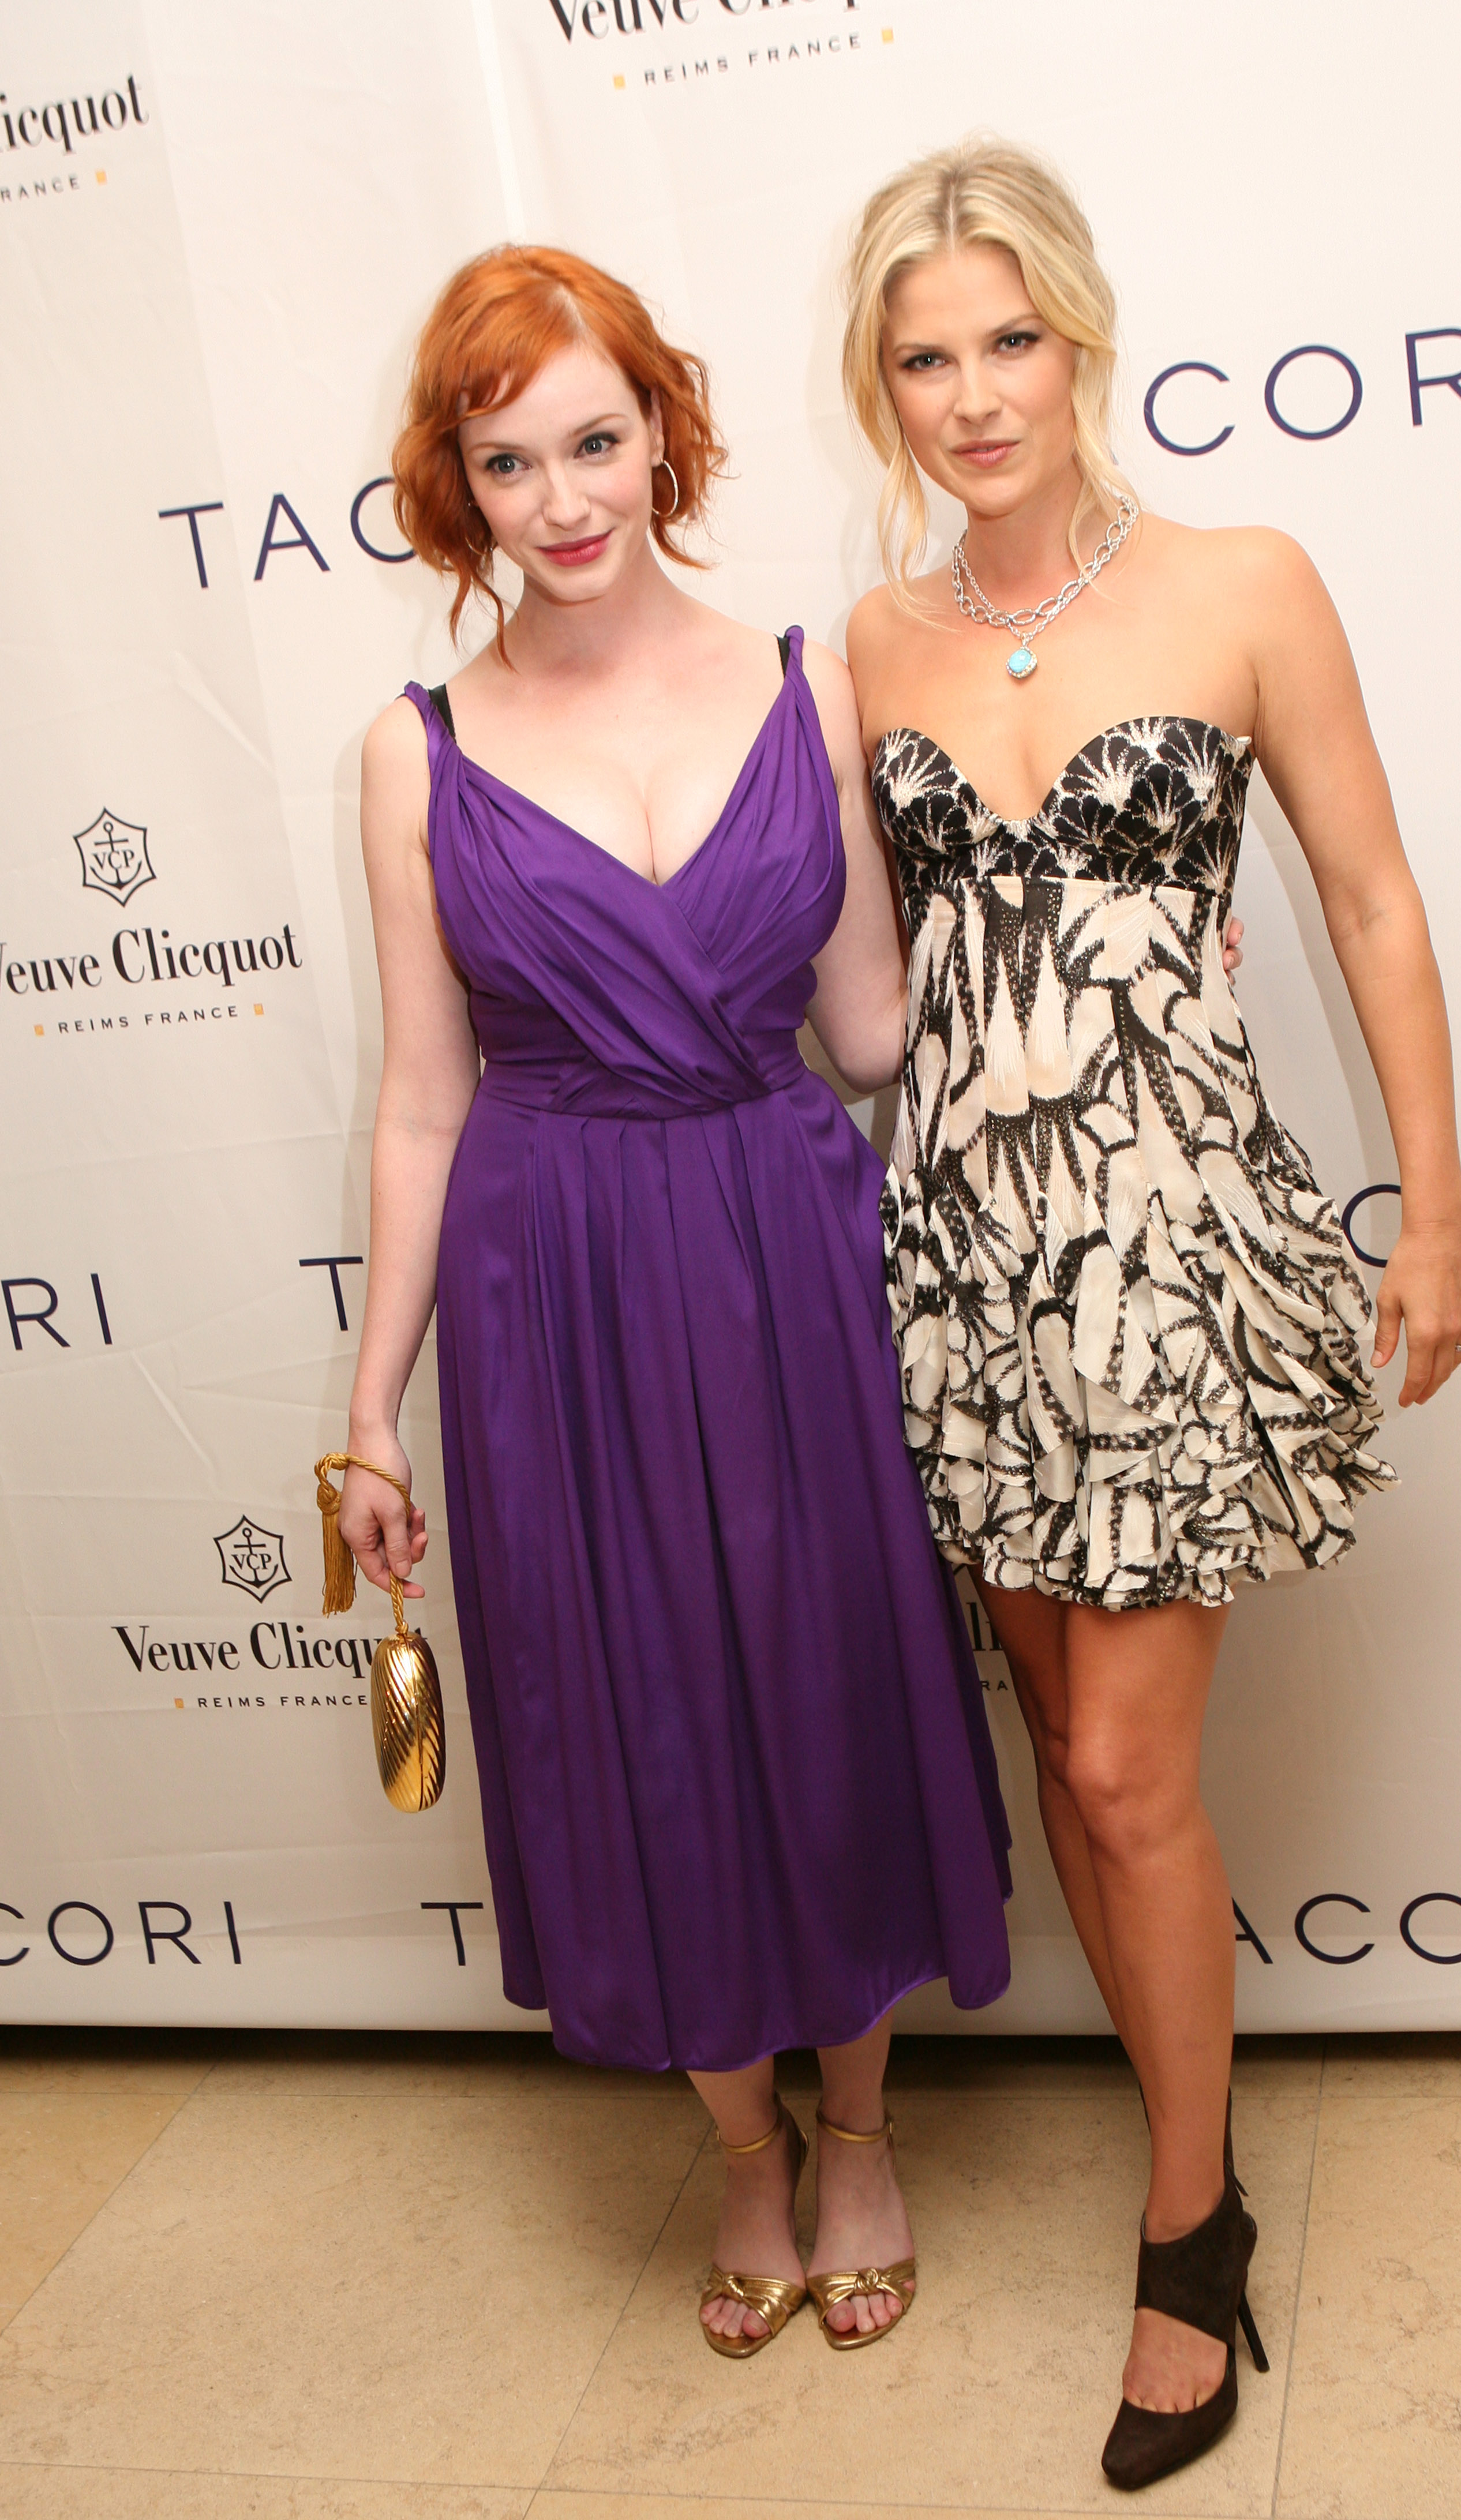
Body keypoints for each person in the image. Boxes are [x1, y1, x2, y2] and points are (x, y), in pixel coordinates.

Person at [841, 139, 1461, 2488]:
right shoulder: (869, 646)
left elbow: (1370, 901)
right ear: (882, 389)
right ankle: (1180, 2148)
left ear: (1082, 337)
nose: (974, 394)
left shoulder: (1240, 583)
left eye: (1009, 339)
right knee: (1060, 1748)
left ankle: (1188, 2232)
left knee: (1127, 1772)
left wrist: (1431, 1208)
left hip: (1174, 1251)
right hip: (969, 1258)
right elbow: (856, 989)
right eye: (926, 357)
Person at [338, 243, 1013, 2358]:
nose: (562, 500)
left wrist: (1091, 946)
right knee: (640, 1707)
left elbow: (875, 1025)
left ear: (664, 435)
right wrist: (369, 1413)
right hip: (556, 1289)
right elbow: (423, 1103)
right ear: (456, 483)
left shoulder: (807, 685)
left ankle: (863, 2125)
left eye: (595, 441)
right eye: (507, 461)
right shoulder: (415, 750)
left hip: (786, 1250)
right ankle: (742, 2153)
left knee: (824, 1675)